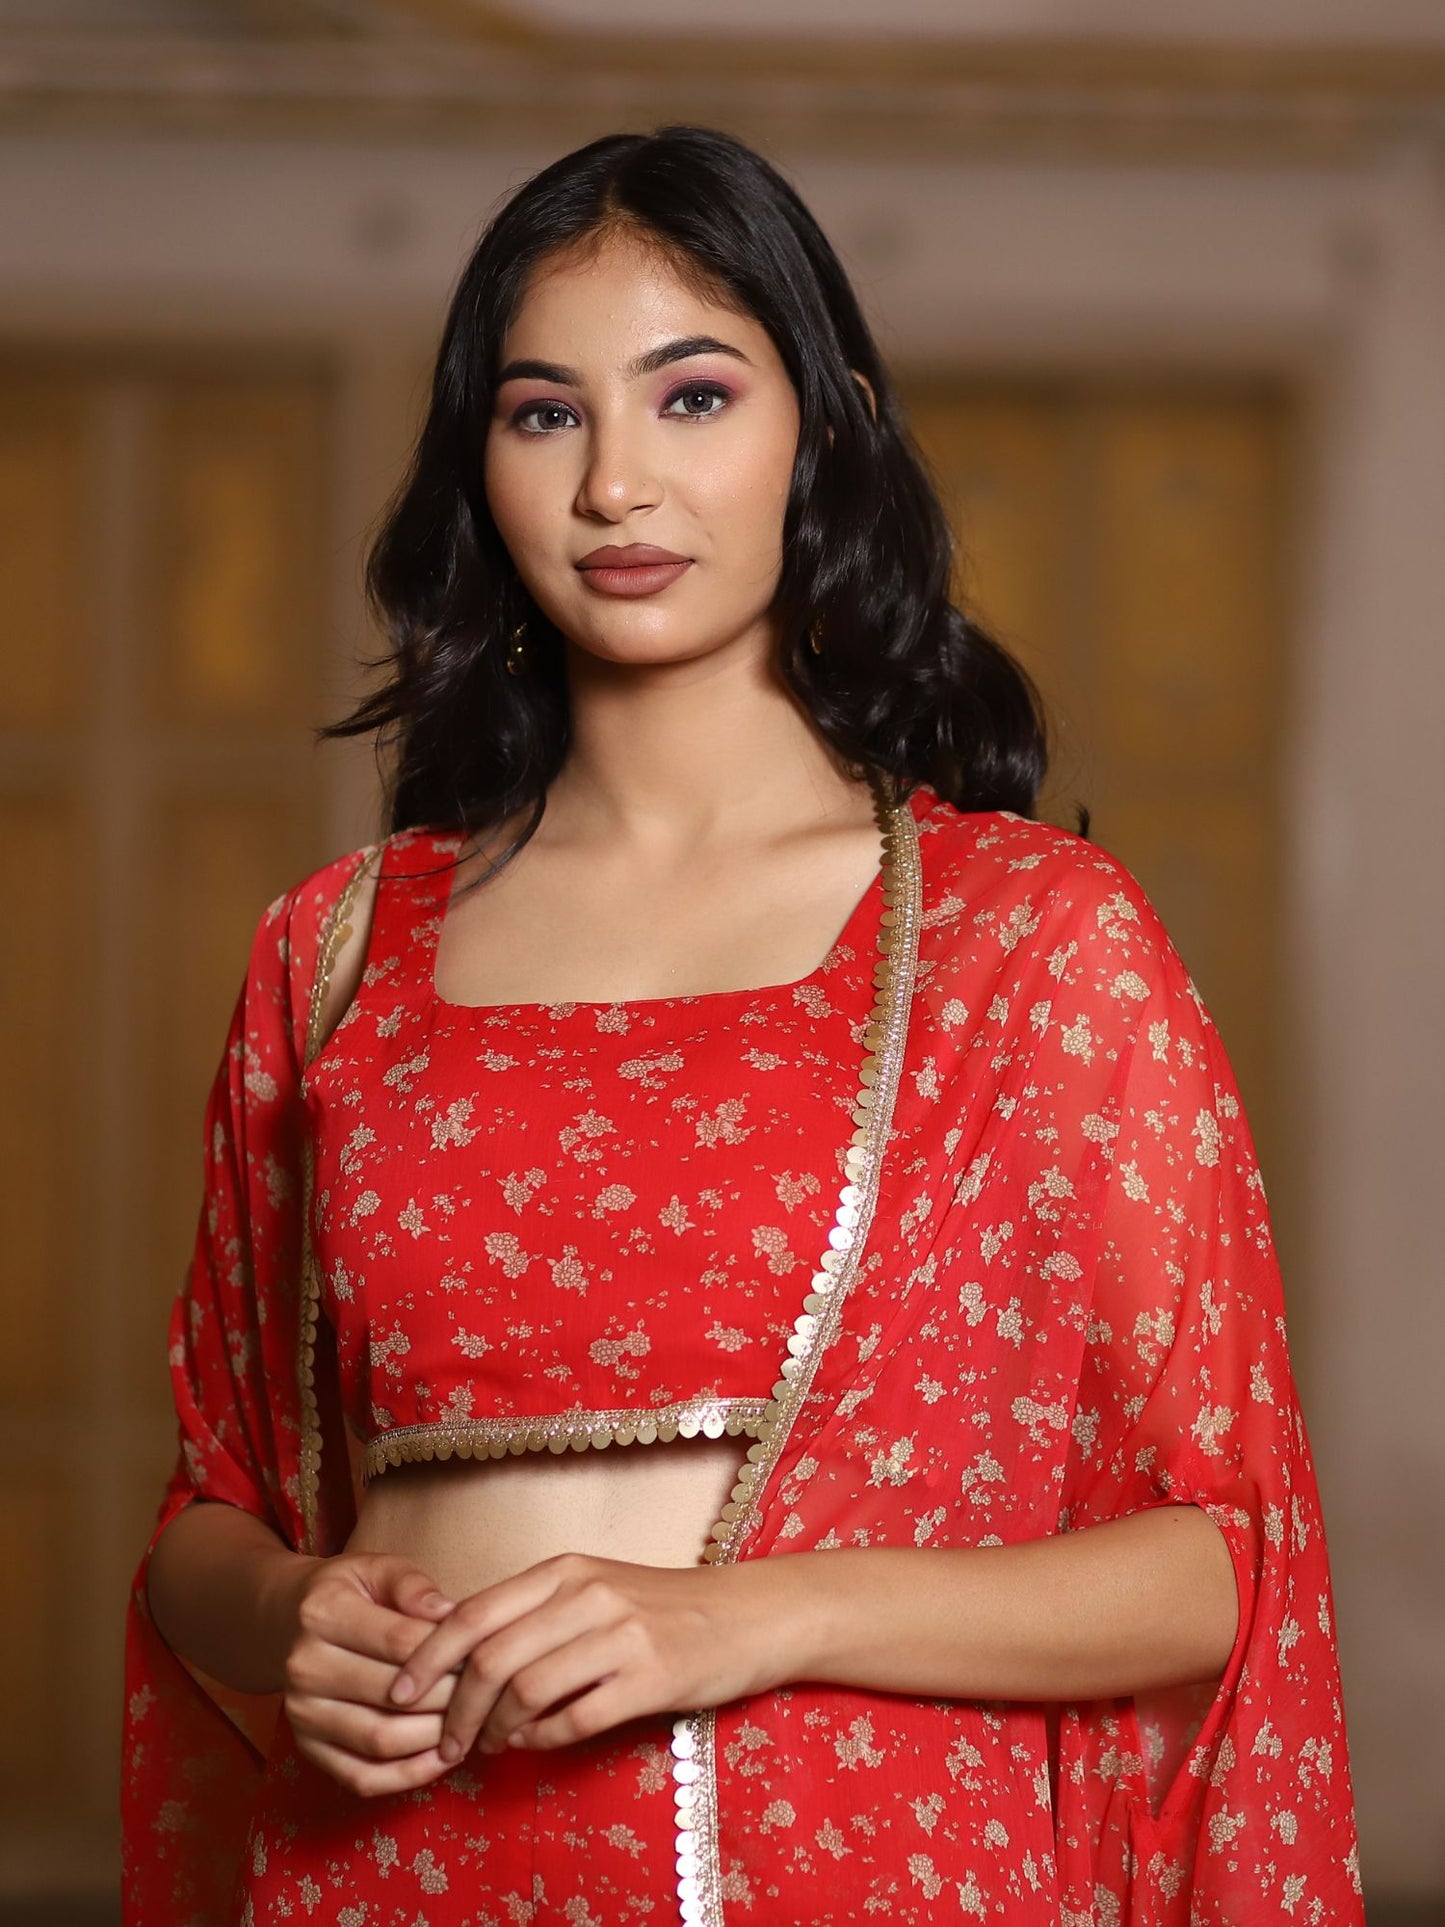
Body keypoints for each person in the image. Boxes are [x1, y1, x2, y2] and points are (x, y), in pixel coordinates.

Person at [122, 125, 1361, 1926]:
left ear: (825, 430)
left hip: (847, 1861)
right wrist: (286, 1614)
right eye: (545, 414)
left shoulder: (1032, 941)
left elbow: (1212, 1565)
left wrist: (746, 1618)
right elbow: (201, 1522)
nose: (618, 484)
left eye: (690, 398)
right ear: (480, 463)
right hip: (387, 1863)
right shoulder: (334, 954)